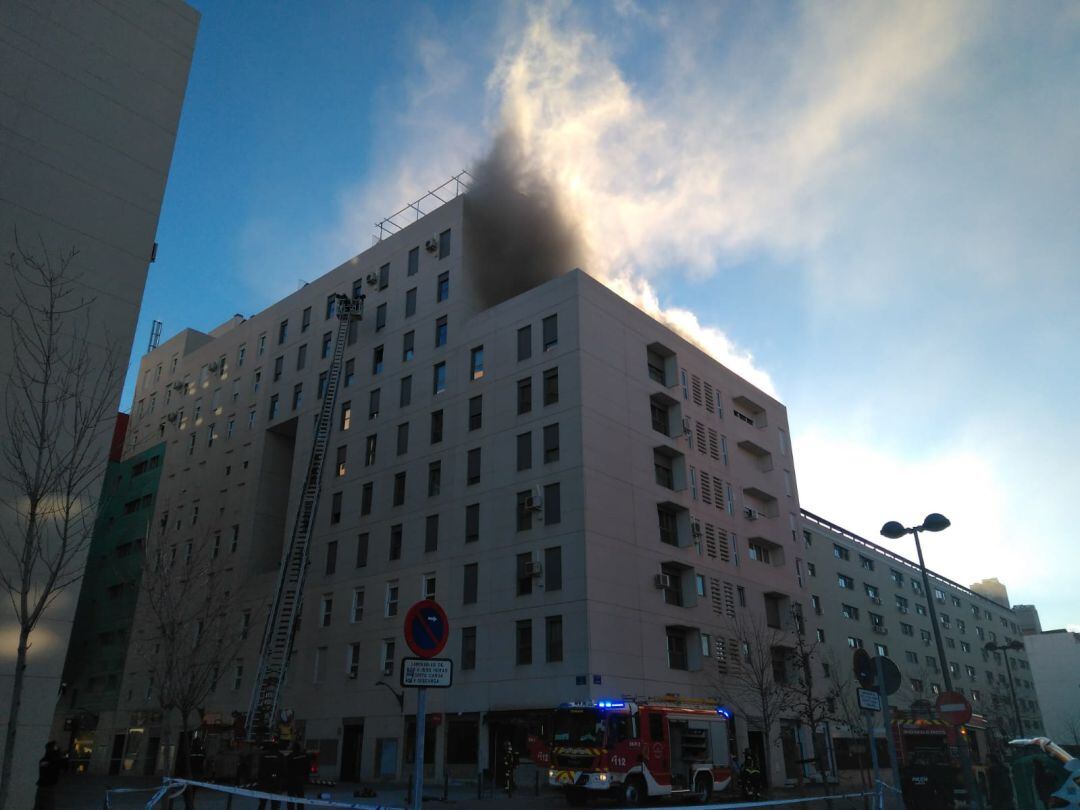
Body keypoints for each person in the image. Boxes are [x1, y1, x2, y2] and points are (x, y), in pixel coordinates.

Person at [34, 741, 63, 810]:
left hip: (45, 787)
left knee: (41, 805)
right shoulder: (49, 760)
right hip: (46, 787)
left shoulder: (47, 760)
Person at [256, 742, 284, 810]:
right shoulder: (280, 756)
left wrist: (260, 780)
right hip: (276, 783)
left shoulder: (263, 755)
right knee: (275, 804)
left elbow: (260, 768)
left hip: (264, 782)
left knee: (262, 803)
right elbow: (283, 770)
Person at [284, 741, 308, 810]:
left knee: (291, 797)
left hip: (292, 780)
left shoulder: (290, 757)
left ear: (293, 748)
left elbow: (286, 768)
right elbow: (307, 767)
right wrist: (306, 777)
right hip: (301, 779)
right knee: (300, 796)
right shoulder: (304, 755)